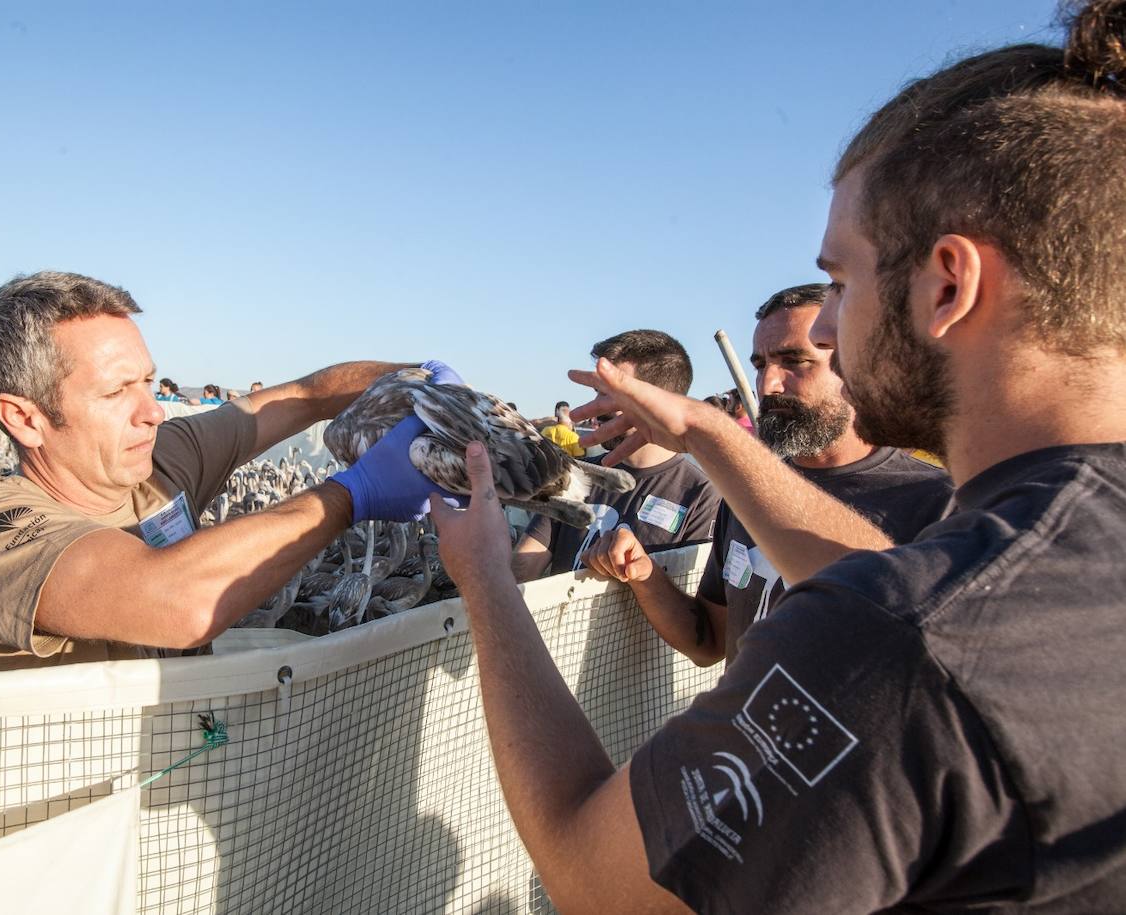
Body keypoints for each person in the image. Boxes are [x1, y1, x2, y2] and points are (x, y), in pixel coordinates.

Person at [428, 2, 1126, 910]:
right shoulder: (1050, 559)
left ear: (948, 284)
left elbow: (589, 874)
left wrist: (483, 577)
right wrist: (713, 434)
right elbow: (929, 598)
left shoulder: (902, 639)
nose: (833, 324)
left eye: (842, 281)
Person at [0, 270, 457, 672]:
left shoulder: (162, 459)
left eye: (147, 381)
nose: (153, 410)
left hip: (184, 771)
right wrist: (349, 496)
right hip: (82, 808)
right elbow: (177, 604)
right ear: (25, 418)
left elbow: (303, 395)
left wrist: (420, 384)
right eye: (117, 392)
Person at [581, 285, 952, 666]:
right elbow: (708, 641)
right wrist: (644, 575)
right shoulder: (748, 491)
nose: (768, 385)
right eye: (760, 365)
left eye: (795, 361)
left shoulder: (936, 503)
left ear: (862, 365)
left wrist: (706, 432)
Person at [513, 330, 721, 580]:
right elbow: (524, 566)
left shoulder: (701, 497)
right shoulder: (576, 476)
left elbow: (694, 606)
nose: (596, 409)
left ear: (657, 400)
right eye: (597, 392)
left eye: (609, 393)